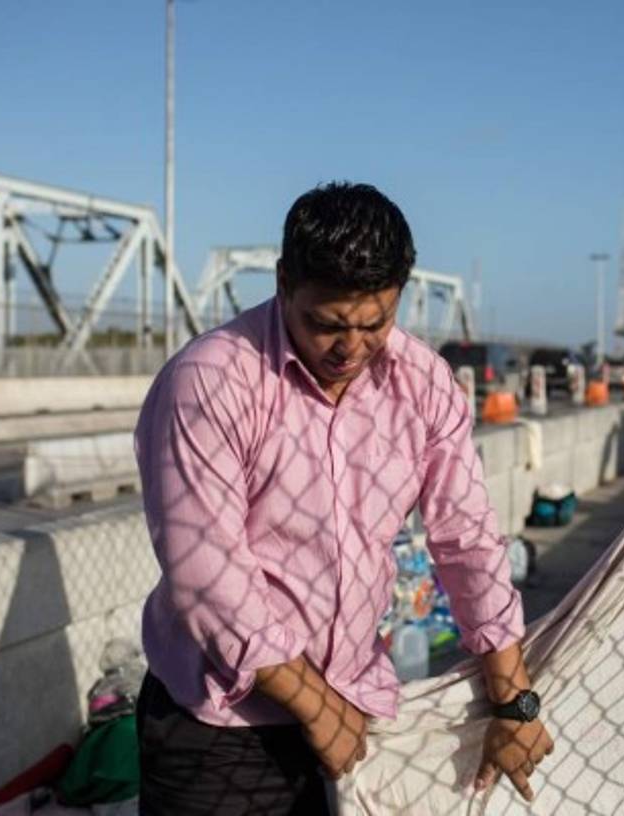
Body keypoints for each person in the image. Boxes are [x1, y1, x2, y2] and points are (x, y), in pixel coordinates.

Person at [133, 182, 554, 815]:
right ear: (283, 282)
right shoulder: (212, 380)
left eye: (375, 323)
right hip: (221, 726)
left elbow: (465, 536)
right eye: (326, 324)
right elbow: (206, 569)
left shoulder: (423, 384)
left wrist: (514, 700)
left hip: (356, 711)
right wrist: (314, 705)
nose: (350, 348)